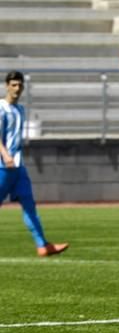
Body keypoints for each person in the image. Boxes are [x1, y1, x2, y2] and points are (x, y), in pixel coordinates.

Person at [1, 71, 69, 258]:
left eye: (20, 85)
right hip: (3, 167)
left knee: (29, 204)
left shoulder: (20, 110)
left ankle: (42, 245)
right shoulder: (1, 108)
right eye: (13, 85)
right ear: (7, 85)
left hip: (18, 167)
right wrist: (5, 155)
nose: (17, 88)